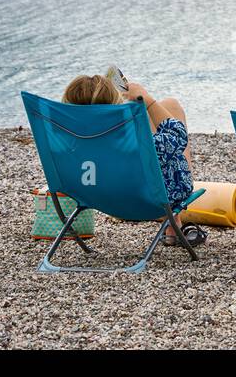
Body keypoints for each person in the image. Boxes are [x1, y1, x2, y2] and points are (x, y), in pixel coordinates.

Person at [60, 73, 206, 248]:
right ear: (114, 106)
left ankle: (173, 224)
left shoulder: (64, 142)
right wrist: (148, 100)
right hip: (147, 200)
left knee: (168, 107)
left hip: (94, 197)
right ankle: (173, 221)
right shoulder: (133, 143)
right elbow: (178, 135)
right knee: (171, 111)